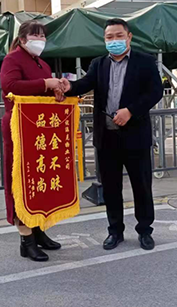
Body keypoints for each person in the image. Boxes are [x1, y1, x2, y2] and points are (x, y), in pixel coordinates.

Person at [60, 18, 163, 251]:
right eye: (109, 37)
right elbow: (85, 83)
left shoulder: (145, 61)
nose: (114, 40)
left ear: (129, 37)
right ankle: (115, 231)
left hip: (135, 136)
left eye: (118, 36)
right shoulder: (98, 64)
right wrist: (69, 87)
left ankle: (145, 230)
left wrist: (131, 111)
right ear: (104, 40)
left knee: (142, 186)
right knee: (111, 188)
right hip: (106, 137)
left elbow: (155, 92)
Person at [0, 20, 64, 262]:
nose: (40, 40)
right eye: (35, 36)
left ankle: (38, 230)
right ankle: (26, 239)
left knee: (39, 180)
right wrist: (45, 83)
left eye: (43, 36)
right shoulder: (12, 59)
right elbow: (10, 86)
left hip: (39, 128)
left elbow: (41, 92)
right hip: (19, 126)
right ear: (23, 39)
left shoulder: (42, 63)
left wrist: (56, 91)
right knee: (20, 180)